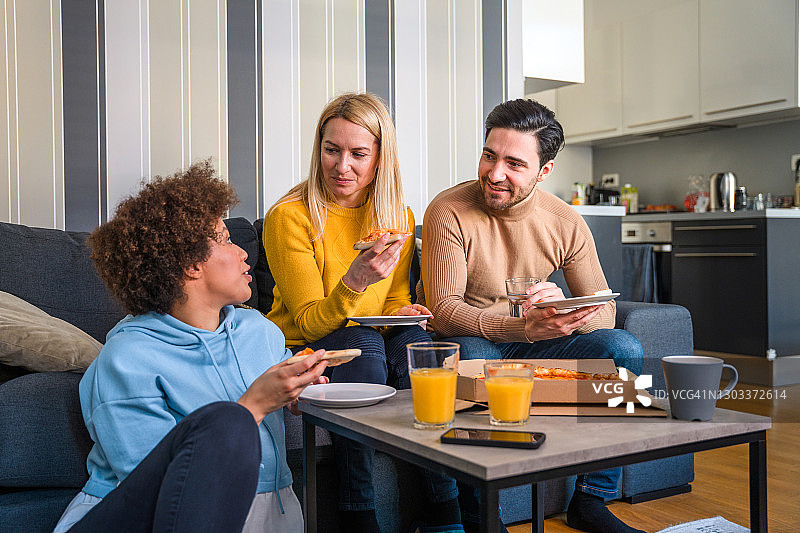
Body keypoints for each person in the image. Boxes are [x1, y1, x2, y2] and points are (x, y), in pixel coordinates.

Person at [53, 161, 329, 533]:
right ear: (189, 264)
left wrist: (299, 391)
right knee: (228, 421)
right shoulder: (127, 359)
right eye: (225, 239)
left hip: (272, 507)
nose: (243, 253)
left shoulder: (259, 331)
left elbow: (285, 385)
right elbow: (155, 489)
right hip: (147, 516)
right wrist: (255, 405)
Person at [419, 99, 646, 533]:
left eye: (514, 164)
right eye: (489, 156)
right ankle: (482, 515)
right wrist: (522, 327)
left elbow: (605, 309)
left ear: (544, 171)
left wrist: (564, 310)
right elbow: (444, 310)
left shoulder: (564, 221)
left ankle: (591, 499)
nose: (494, 173)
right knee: (475, 355)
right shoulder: (449, 210)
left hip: (537, 342)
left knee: (623, 348)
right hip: (476, 339)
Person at [263, 92, 462, 533]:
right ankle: (358, 512)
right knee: (365, 346)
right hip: (307, 340)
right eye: (331, 150)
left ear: (379, 158)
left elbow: (390, 300)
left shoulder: (396, 216)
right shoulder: (289, 216)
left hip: (366, 332)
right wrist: (354, 281)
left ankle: (444, 511)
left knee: (420, 347)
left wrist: (403, 311)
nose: (341, 166)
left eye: (358, 154)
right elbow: (310, 320)